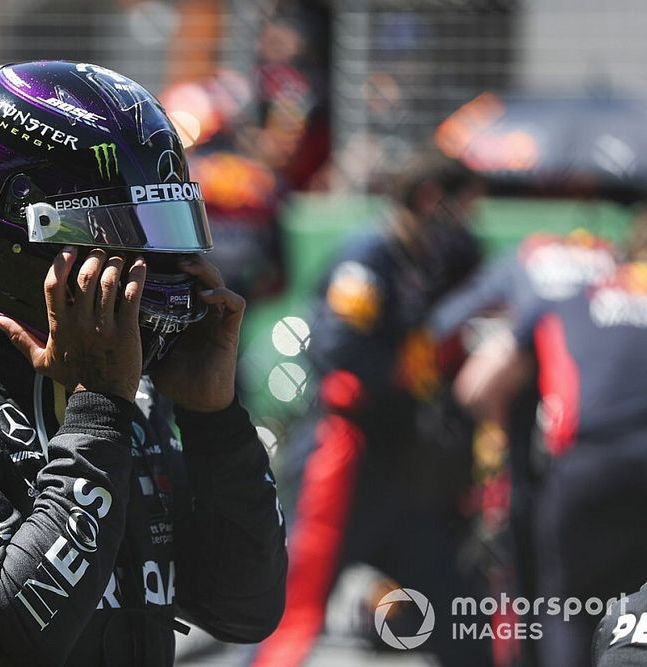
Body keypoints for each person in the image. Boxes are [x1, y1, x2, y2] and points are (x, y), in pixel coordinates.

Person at [0, 61, 287, 666]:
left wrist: (213, 420)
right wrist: (95, 411)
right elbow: (13, 628)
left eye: (167, 231)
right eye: (121, 236)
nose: (154, 267)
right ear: (12, 239)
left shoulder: (135, 401)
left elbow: (244, 608)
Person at [254, 149, 488, 667]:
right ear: (432, 201)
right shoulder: (369, 257)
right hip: (345, 453)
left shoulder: (433, 259)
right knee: (295, 608)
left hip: (407, 462)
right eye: (462, 210)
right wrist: (408, 368)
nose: (467, 224)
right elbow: (337, 349)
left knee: (456, 608)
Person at [454, 214, 647, 667]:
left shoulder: (570, 297)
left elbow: (476, 385)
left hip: (586, 470)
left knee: (568, 608)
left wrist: (498, 442)